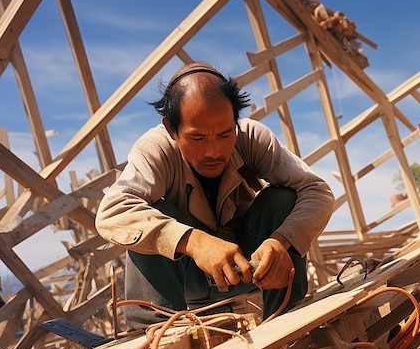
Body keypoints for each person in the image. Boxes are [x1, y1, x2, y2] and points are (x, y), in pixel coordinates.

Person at [95, 62, 334, 328]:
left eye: (224, 134)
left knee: (281, 199)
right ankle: (153, 338)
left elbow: (317, 191)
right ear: (171, 130)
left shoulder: (251, 138)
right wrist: (194, 242)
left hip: (248, 269)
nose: (214, 151)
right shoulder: (155, 150)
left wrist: (281, 242)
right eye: (197, 138)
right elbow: (112, 212)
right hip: (188, 279)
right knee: (152, 216)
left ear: (235, 122)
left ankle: (289, 325)